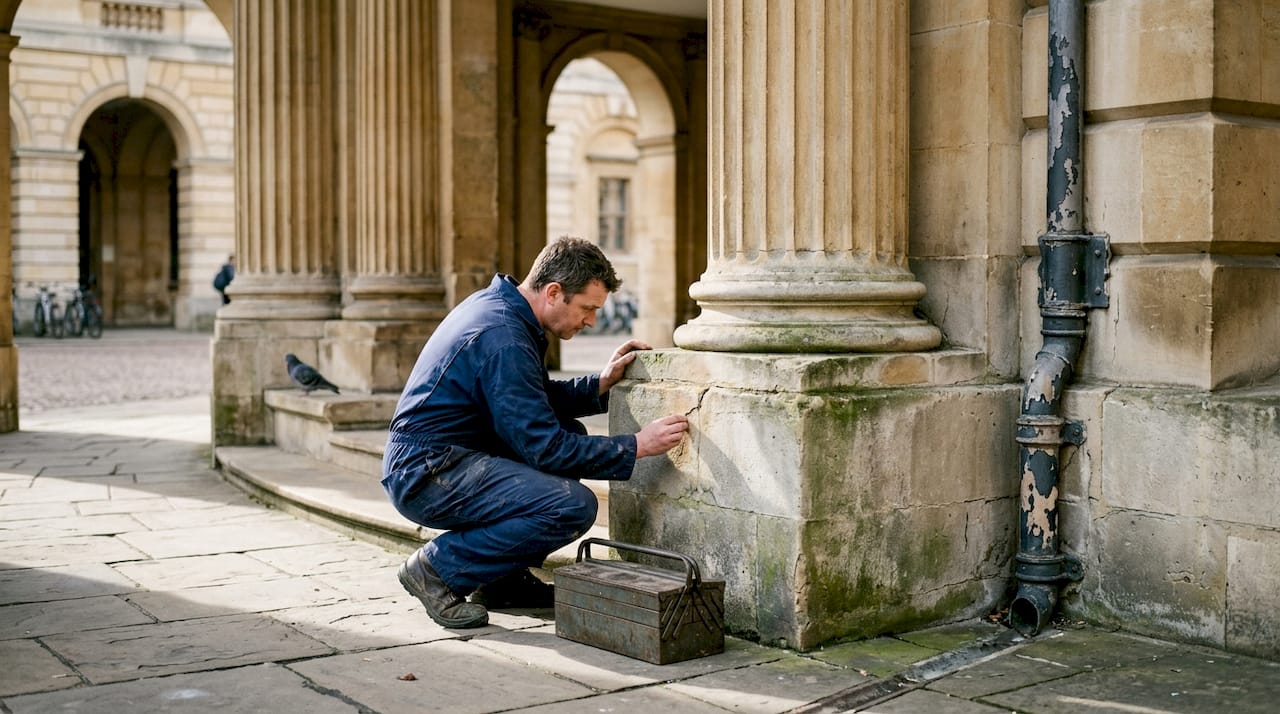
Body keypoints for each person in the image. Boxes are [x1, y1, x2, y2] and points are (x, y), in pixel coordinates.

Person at [382, 237, 689, 628]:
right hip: (427, 472)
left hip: (442, 458)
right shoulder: (504, 336)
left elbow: (527, 399)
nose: (592, 321)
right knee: (571, 506)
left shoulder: (504, 313)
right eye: (587, 309)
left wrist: (599, 383)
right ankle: (435, 569)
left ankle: (499, 581)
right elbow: (545, 449)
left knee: (568, 429)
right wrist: (636, 447)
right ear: (554, 292)